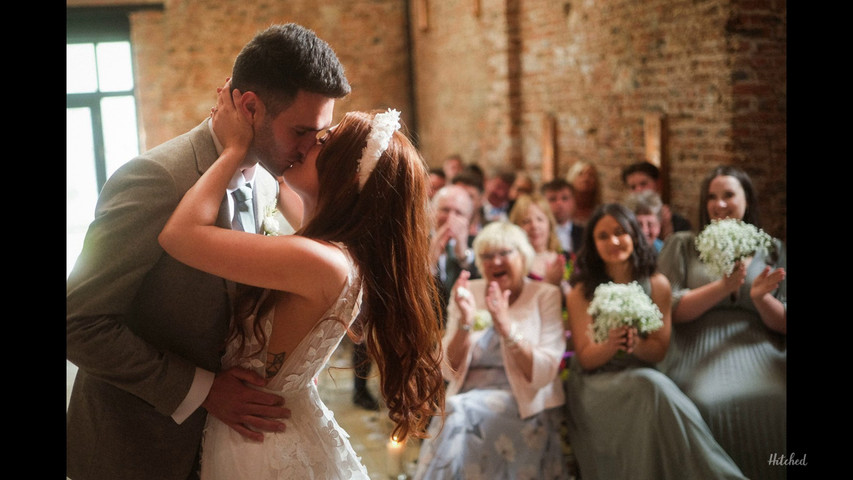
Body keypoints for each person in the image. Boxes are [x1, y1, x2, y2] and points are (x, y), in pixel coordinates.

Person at [66, 23, 350, 480]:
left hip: (225, 451)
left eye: (318, 133)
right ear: (251, 107)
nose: (309, 148)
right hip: (135, 449)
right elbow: (78, 322)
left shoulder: (263, 182)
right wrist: (204, 391)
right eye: (300, 131)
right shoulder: (155, 180)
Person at [159, 84, 445, 478]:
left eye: (323, 142)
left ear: (343, 178)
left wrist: (234, 150)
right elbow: (285, 190)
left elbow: (180, 236)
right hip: (270, 423)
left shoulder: (319, 261)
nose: (306, 145)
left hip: (263, 445)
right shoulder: (332, 247)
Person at [563, 203, 746, 480]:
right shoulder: (580, 291)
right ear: (592, 244)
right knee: (653, 387)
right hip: (595, 383)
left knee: (654, 387)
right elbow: (586, 358)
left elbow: (659, 351)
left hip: (643, 370)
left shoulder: (657, 284)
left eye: (620, 232)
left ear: (634, 235)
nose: (613, 241)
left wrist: (633, 344)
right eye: (602, 236)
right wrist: (611, 343)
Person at [657, 165, 786, 480]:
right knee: (706, 401)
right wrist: (723, 288)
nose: (720, 204)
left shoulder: (771, 248)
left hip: (760, 348)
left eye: (729, 195)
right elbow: (670, 308)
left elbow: (783, 322)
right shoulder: (684, 245)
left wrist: (759, 299)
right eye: (712, 197)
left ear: (746, 200)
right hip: (697, 347)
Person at [414, 221, 568, 480]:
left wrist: (506, 327)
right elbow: (448, 371)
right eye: (487, 256)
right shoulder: (467, 292)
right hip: (467, 396)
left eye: (504, 253)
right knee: (455, 409)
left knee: (454, 411)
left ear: (523, 256)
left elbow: (545, 371)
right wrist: (465, 322)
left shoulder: (545, 295)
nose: (495, 261)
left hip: (524, 403)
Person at [429, 184, 480, 319]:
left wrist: (463, 255)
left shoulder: (477, 245)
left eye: (458, 213)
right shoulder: (415, 243)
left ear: (468, 219)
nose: (450, 218)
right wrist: (429, 263)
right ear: (432, 211)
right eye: (445, 210)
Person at [508, 194, 567, 290]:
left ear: (550, 223)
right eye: (526, 221)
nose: (534, 226)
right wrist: (548, 282)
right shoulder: (513, 264)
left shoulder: (567, 258)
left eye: (540, 219)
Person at [621, 161, 691, 239]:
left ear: (658, 184)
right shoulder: (622, 220)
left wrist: (667, 229)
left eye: (643, 184)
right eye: (633, 187)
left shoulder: (678, 223)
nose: (638, 190)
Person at [541, 178, 584, 257]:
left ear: (573, 202)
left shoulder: (584, 234)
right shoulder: (537, 234)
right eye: (552, 199)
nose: (559, 203)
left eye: (565, 198)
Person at [564, 160, 601, 228]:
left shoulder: (600, 211)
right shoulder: (563, 209)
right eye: (580, 174)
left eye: (590, 175)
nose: (586, 179)